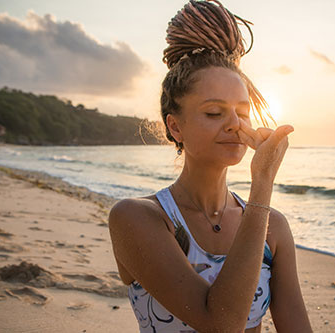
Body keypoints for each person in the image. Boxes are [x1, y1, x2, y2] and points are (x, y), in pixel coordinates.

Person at [108, 1, 313, 332]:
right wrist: (262, 184)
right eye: (214, 113)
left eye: (242, 112)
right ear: (175, 127)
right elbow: (220, 324)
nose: (233, 124)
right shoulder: (137, 218)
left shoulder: (273, 228)